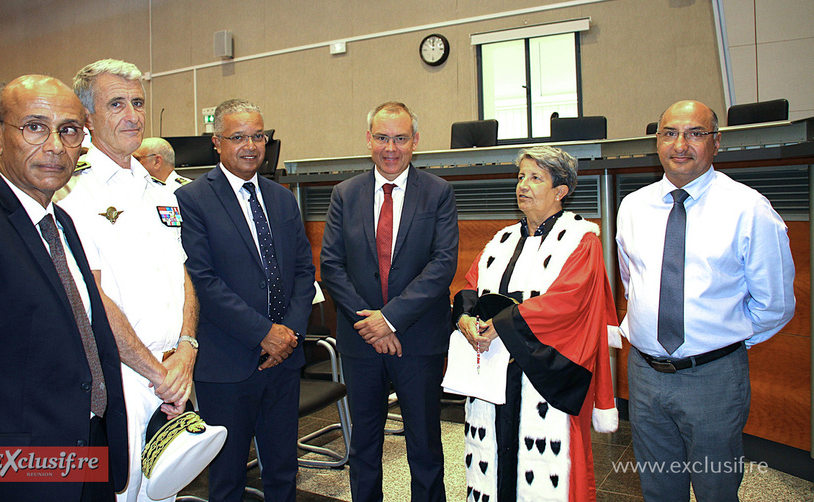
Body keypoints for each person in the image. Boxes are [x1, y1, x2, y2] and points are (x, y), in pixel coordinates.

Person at [0, 75, 128, 501]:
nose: (54, 146)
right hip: (18, 473)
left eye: (68, 130)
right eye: (34, 127)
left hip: (86, 452)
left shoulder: (59, 221)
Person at [616, 100, 796, 501]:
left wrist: (725, 343)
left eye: (695, 133)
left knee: (716, 489)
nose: (681, 145)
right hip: (645, 375)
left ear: (716, 143)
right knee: (658, 489)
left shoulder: (748, 208)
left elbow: (776, 303)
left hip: (713, 379)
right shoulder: (633, 207)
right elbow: (634, 284)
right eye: (669, 133)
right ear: (657, 142)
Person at [54, 59, 199, 502]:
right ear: (88, 119)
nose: (133, 115)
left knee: (165, 493)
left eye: (137, 102)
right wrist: (158, 373)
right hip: (119, 378)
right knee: (123, 492)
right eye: (116, 104)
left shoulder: (161, 192)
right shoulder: (72, 194)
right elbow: (90, 298)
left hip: (173, 370)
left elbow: (184, 275)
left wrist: (187, 349)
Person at [452, 146, 618, 502]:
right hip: (496, 373)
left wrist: (503, 324)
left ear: (561, 191)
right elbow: (471, 284)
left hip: (544, 376)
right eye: (520, 177)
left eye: (535, 178)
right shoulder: (502, 240)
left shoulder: (580, 240)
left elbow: (568, 302)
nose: (523, 185)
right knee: (494, 465)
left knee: (546, 473)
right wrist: (465, 317)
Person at [176, 98, 315, 501]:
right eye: (238, 137)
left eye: (258, 136)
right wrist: (263, 334)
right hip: (228, 362)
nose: (251, 146)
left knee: (283, 470)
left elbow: (304, 272)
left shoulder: (281, 197)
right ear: (216, 142)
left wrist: (287, 334)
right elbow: (201, 280)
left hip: (284, 360)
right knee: (227, 478)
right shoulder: (192, 201)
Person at [320, 101, 458, 502]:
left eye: (400, 138)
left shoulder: (438, 193)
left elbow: (442, 264)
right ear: (368, 140)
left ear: (415, 142)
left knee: (425, 446)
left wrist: (391, 319)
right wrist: (373, 325)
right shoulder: (344, 194)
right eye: (382, 137)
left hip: (418, 339)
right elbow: (332, 265)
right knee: (364, 447)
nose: (390, 148)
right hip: (361, 341)